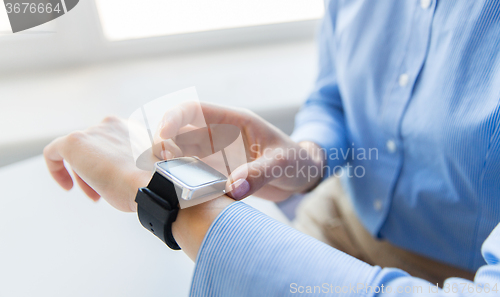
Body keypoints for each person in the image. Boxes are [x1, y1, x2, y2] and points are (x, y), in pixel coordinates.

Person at [44, 0, 500, 295]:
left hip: (456, 274)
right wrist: (309, 156)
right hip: (335, 213)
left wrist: (164, 200)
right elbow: (332, 97)